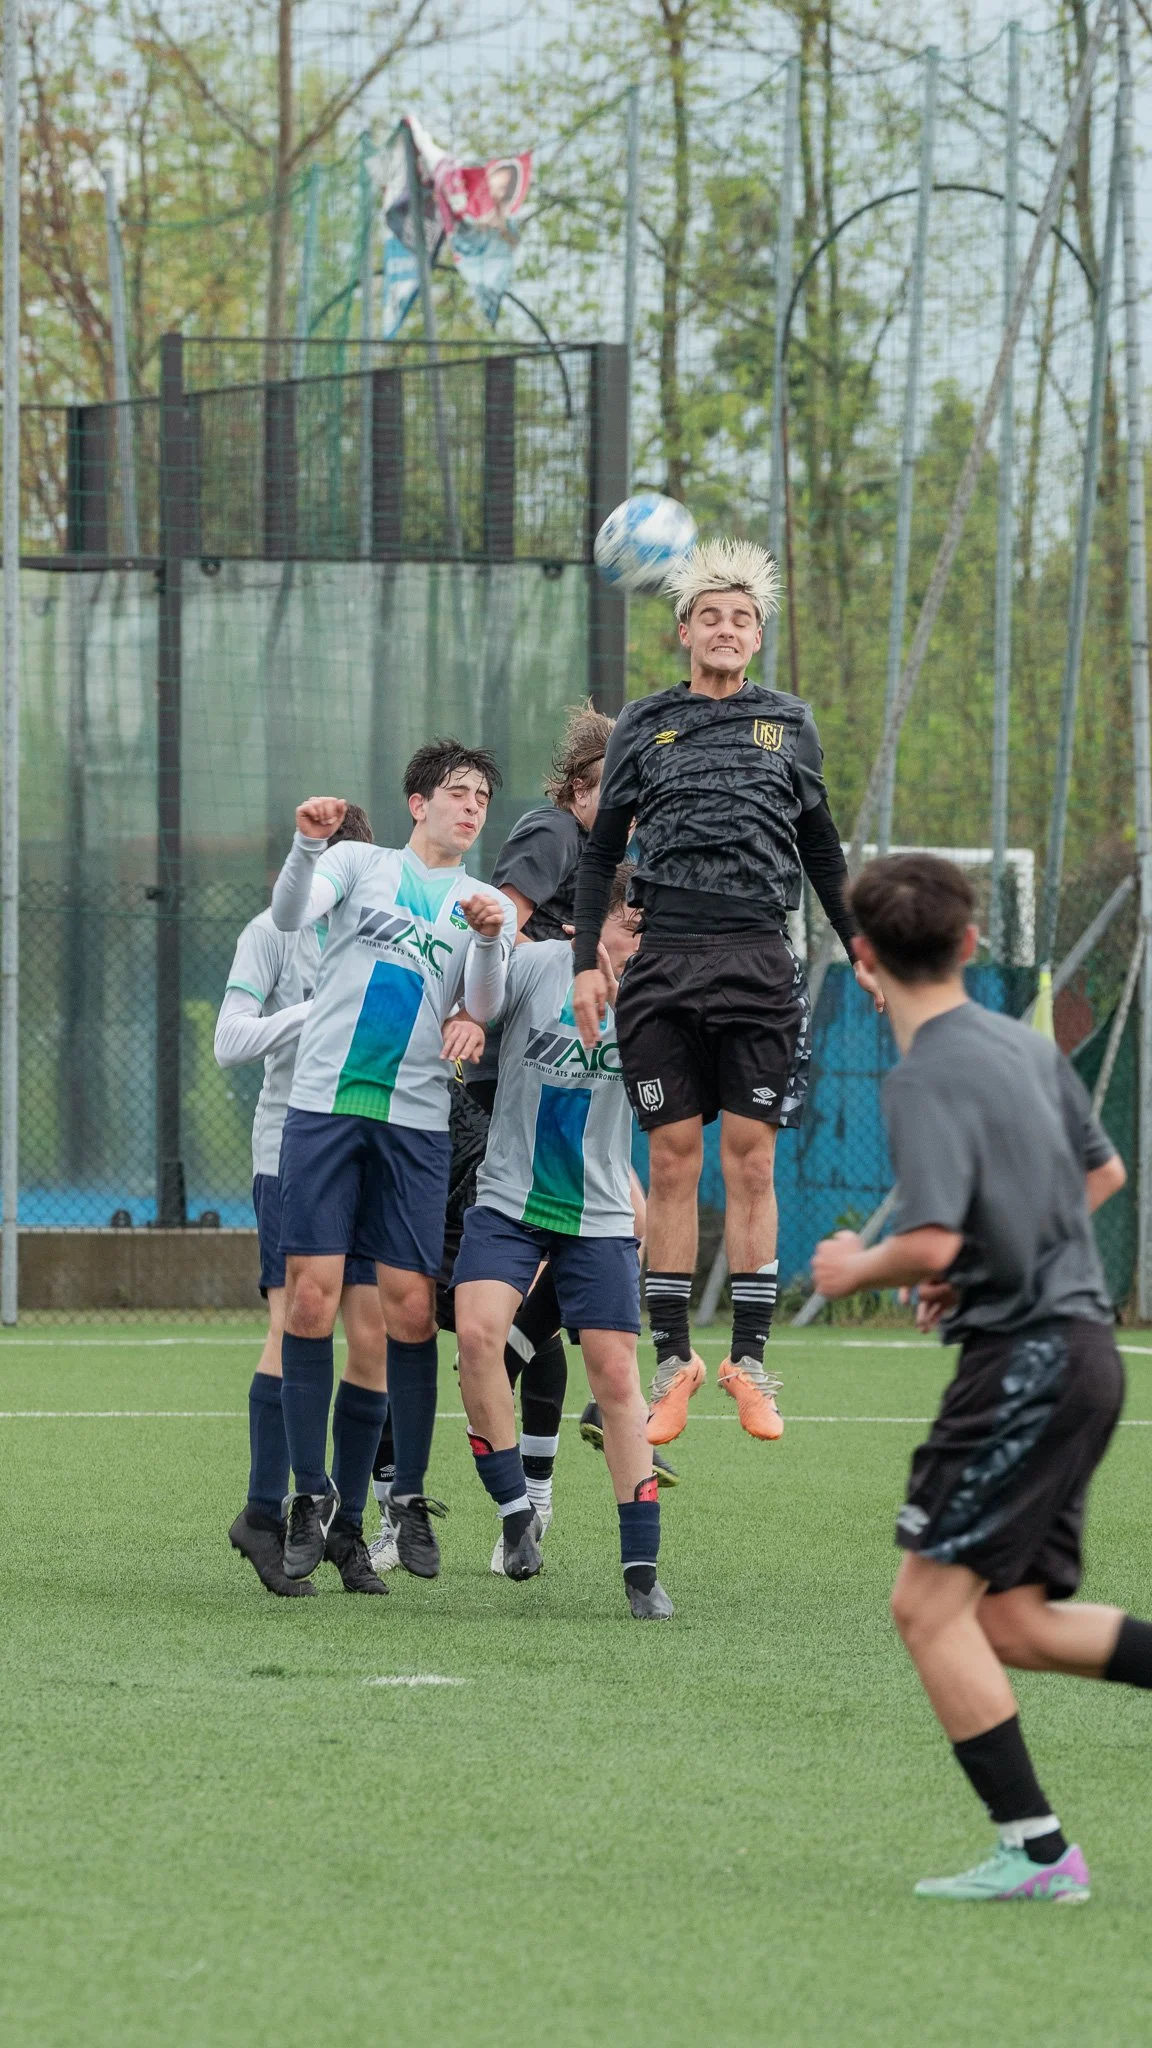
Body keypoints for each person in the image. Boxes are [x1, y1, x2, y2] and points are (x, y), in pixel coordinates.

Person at [812, 852, 1152, 1903]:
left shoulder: (922, 1076)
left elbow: (930, 1237)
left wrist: (855, 1264)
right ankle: (1038, 1851)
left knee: (926, 1607)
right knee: (1012, 1621)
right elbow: (1103, 1173)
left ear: (864, 962)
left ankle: (1040, 1854)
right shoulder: (1026, 1044)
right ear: (969, 944)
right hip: (1081, 1353)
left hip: (1027, 1363)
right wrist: (977, 1265)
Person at [572, 538, 880, 1446]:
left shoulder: (789, 722)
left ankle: (748, 1361)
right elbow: (601, 851)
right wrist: (588, 958)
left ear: (757, 636)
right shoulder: (644, 723)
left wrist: (859, 945)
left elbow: (821, 849)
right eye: (710, 616)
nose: (726, 628)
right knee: (672, 1161)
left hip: (757, 957)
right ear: (684, 632)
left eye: (742, 618)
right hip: (664, 958)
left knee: (750, 1160)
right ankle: (675, 1362)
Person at [268, 741, 517, 1584]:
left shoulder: (484, 903)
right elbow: (290, 915)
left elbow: (481, 1007)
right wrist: (306, 845)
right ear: (419, 803)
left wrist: (489, 943)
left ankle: (405, 1496)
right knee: (310, 1297)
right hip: (326, 1108)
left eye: (482, 797)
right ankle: (310, 1494)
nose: (472, 806)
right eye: (458, 791)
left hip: (414, 1123)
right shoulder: (359, 864)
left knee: (411, 1311)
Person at [453, 866, 673, 1619]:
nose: (641, 944)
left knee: (615, 1377)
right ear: (592, 922)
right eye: (632, 928)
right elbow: (478, 999)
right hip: (509, 1198)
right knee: (477, 1337)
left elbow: (672, 1104)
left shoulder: (657, 997)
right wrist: (488, 951)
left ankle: (641, 1571)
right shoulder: (541, 965)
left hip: (600, 1214)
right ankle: (517, 1513)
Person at [216, 802, 394, 1598]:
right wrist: (312, 1014)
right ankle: (264, 1511)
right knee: (293, 1319)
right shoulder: (271, 931)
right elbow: (229, 1039)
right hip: (290, 1149)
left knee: (374, 1335)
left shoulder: (385, 935)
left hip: (372, 1148)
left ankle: (345, 1528)